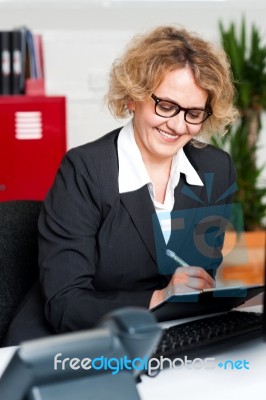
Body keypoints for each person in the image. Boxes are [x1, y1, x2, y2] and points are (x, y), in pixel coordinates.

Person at [5, 25, 238, 342]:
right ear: (133, 97)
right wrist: (159, 299)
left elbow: (195, 279)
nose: (178, 125)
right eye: (166, 106)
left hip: (162, 338)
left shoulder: (215, 169)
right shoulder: (86, 170)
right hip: (65, 344)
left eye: (194, 113)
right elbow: (65, 304)